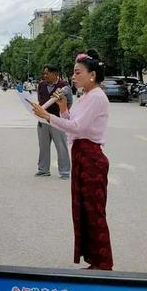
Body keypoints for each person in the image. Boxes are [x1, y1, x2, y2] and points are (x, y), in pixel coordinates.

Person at [32, 53, 113, 270]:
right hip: (81, 155)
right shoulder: (86, 96)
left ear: (92, 75)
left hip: (91, 158)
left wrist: (47, 116)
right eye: (73, 72)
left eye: (78, 72)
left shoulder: (97, 96)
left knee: (94, 212)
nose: (73, 77)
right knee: (83, 211)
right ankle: (94, 260)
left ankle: (103, 263)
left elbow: (79, 128)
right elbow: (72, 122)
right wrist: (62, 108)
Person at [36, 66, 72, 179]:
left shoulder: (64, 86)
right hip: (43, 121)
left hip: (58, 121)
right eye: (44, 73)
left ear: (55, 74)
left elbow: (69, 102)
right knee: (43, 146)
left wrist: (63, 114)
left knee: (61, 146)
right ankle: (43, 170)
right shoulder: (41, 85)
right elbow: (40, 99)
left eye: (47, 73)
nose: (45, 76)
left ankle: (65, 172)